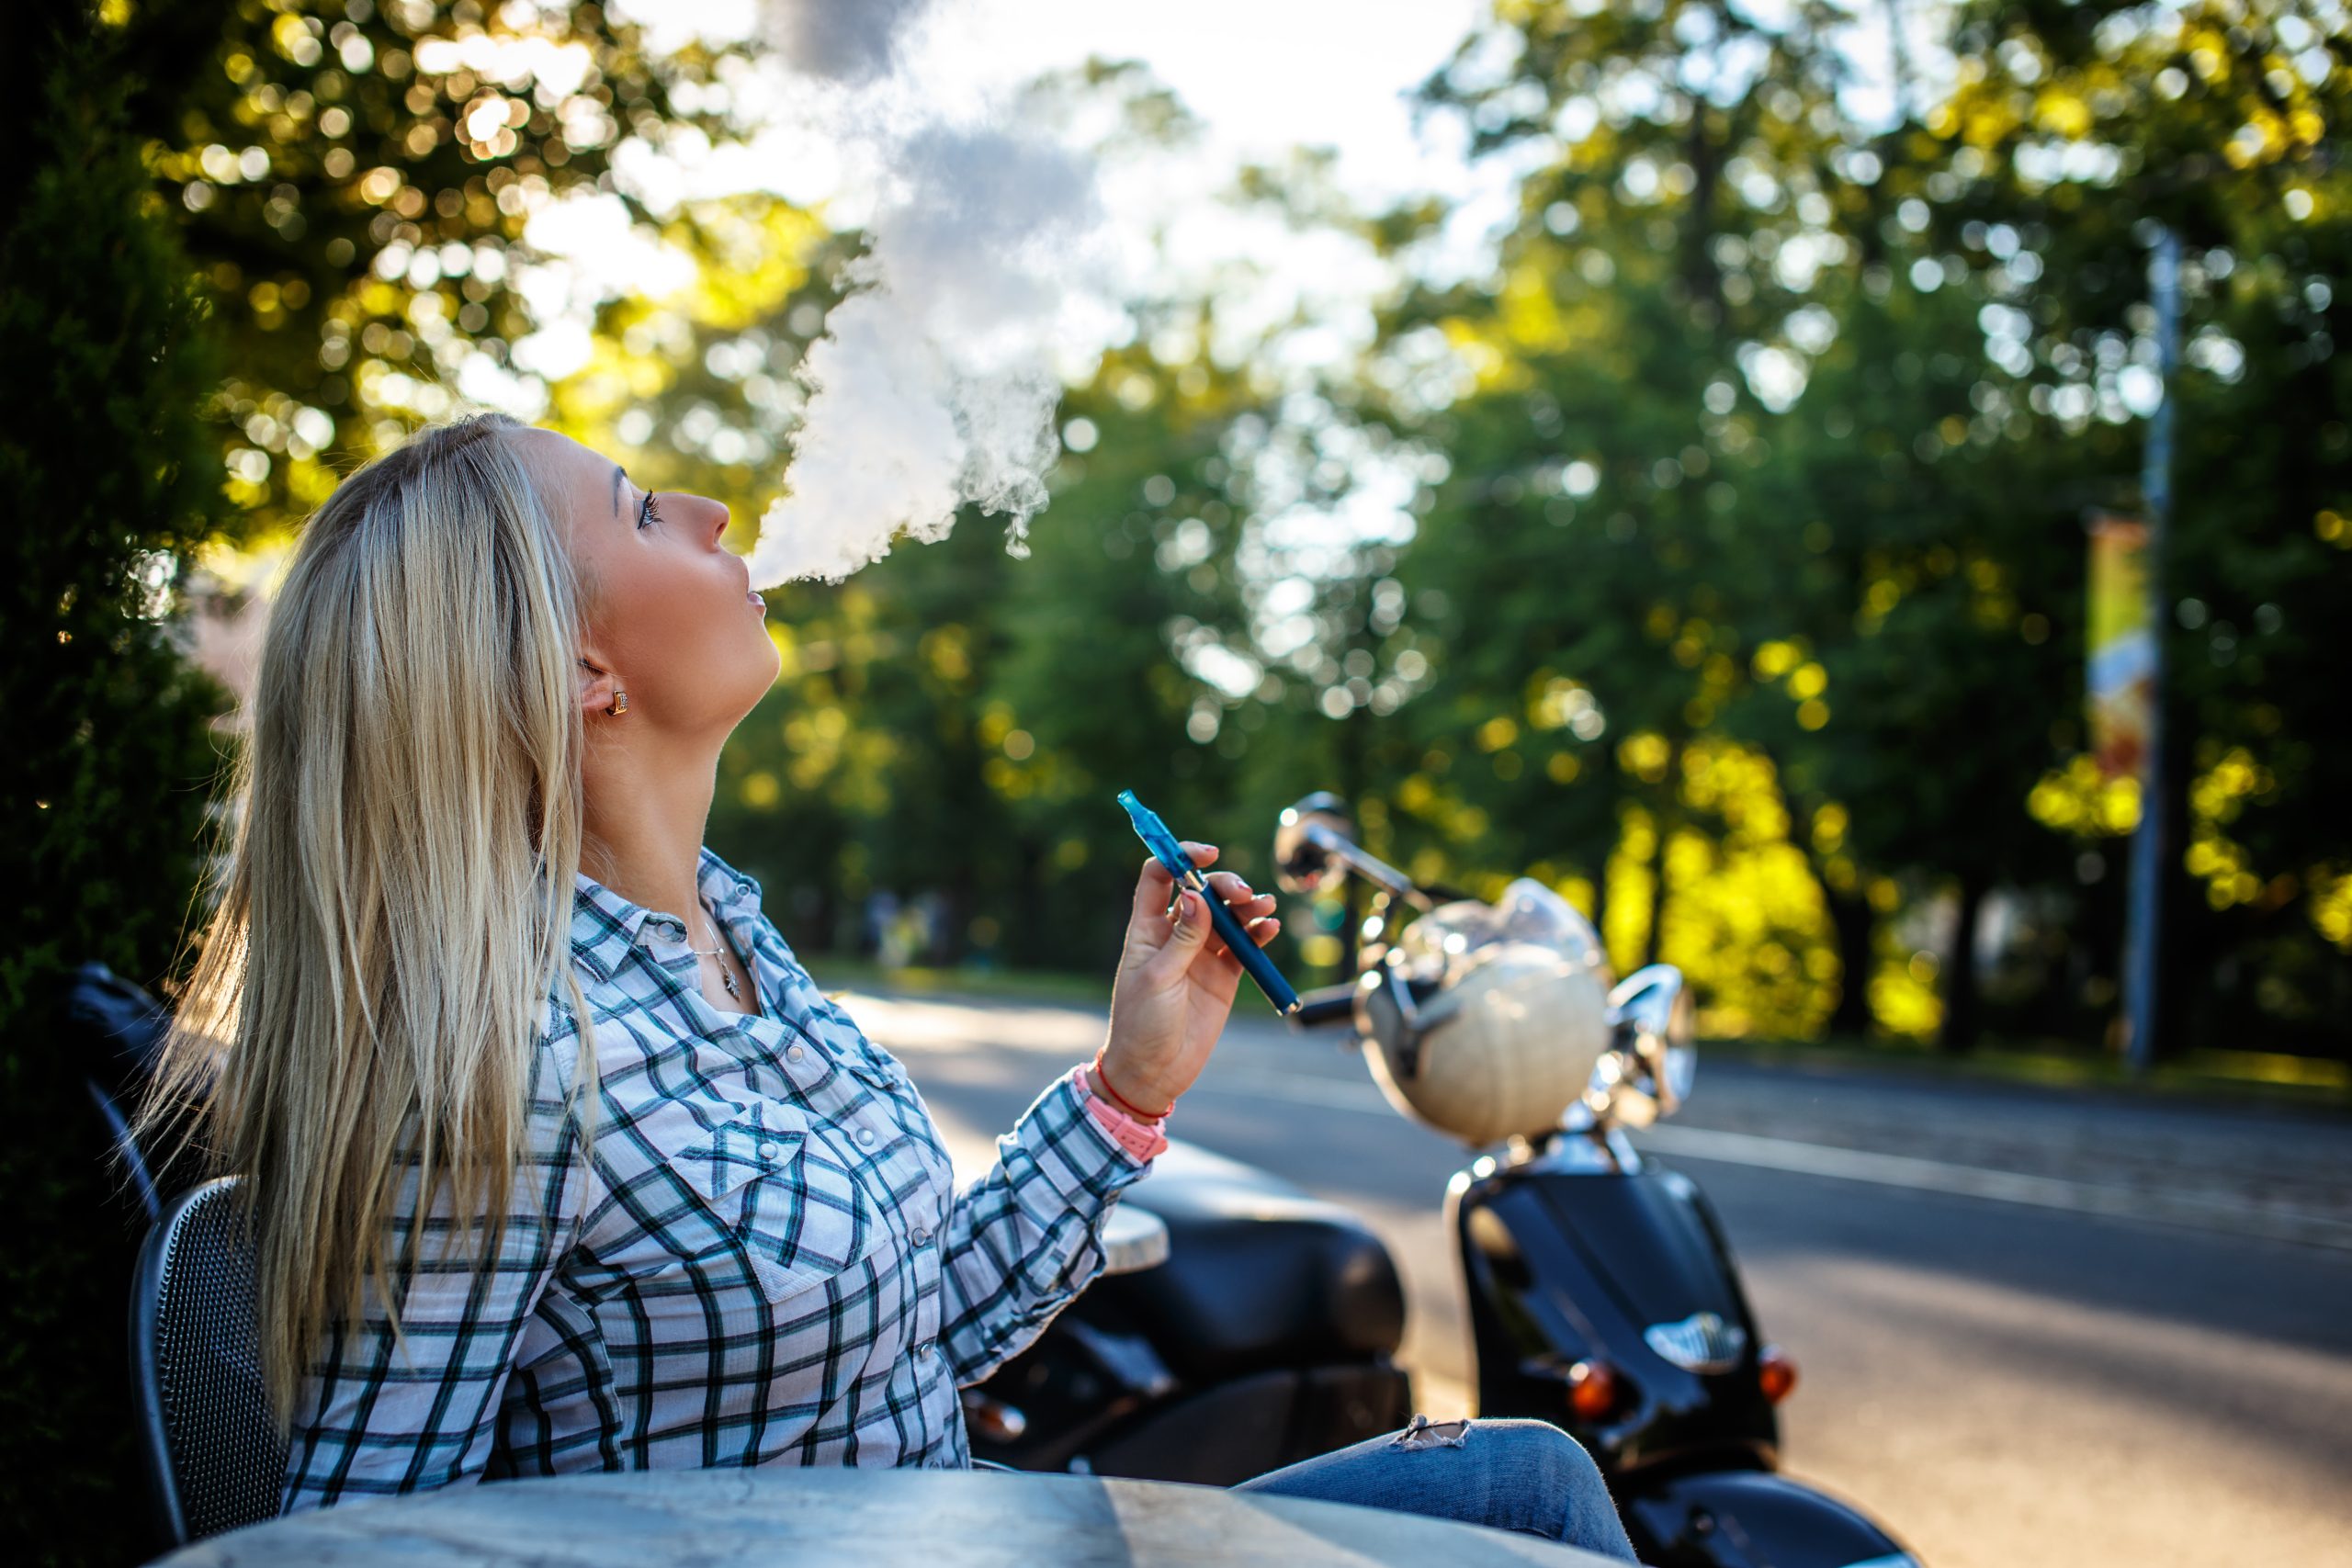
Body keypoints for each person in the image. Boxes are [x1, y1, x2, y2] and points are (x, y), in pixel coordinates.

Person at [143, 413, 1637, 1561]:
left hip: (969, 1527)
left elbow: (910, 1327)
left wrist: (1130, 1089)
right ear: (583, 667)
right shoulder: (510, 1063)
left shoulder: (731, 942)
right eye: (643, 511)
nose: (714, 510)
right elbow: (353, 1542)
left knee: (1527, 1488)